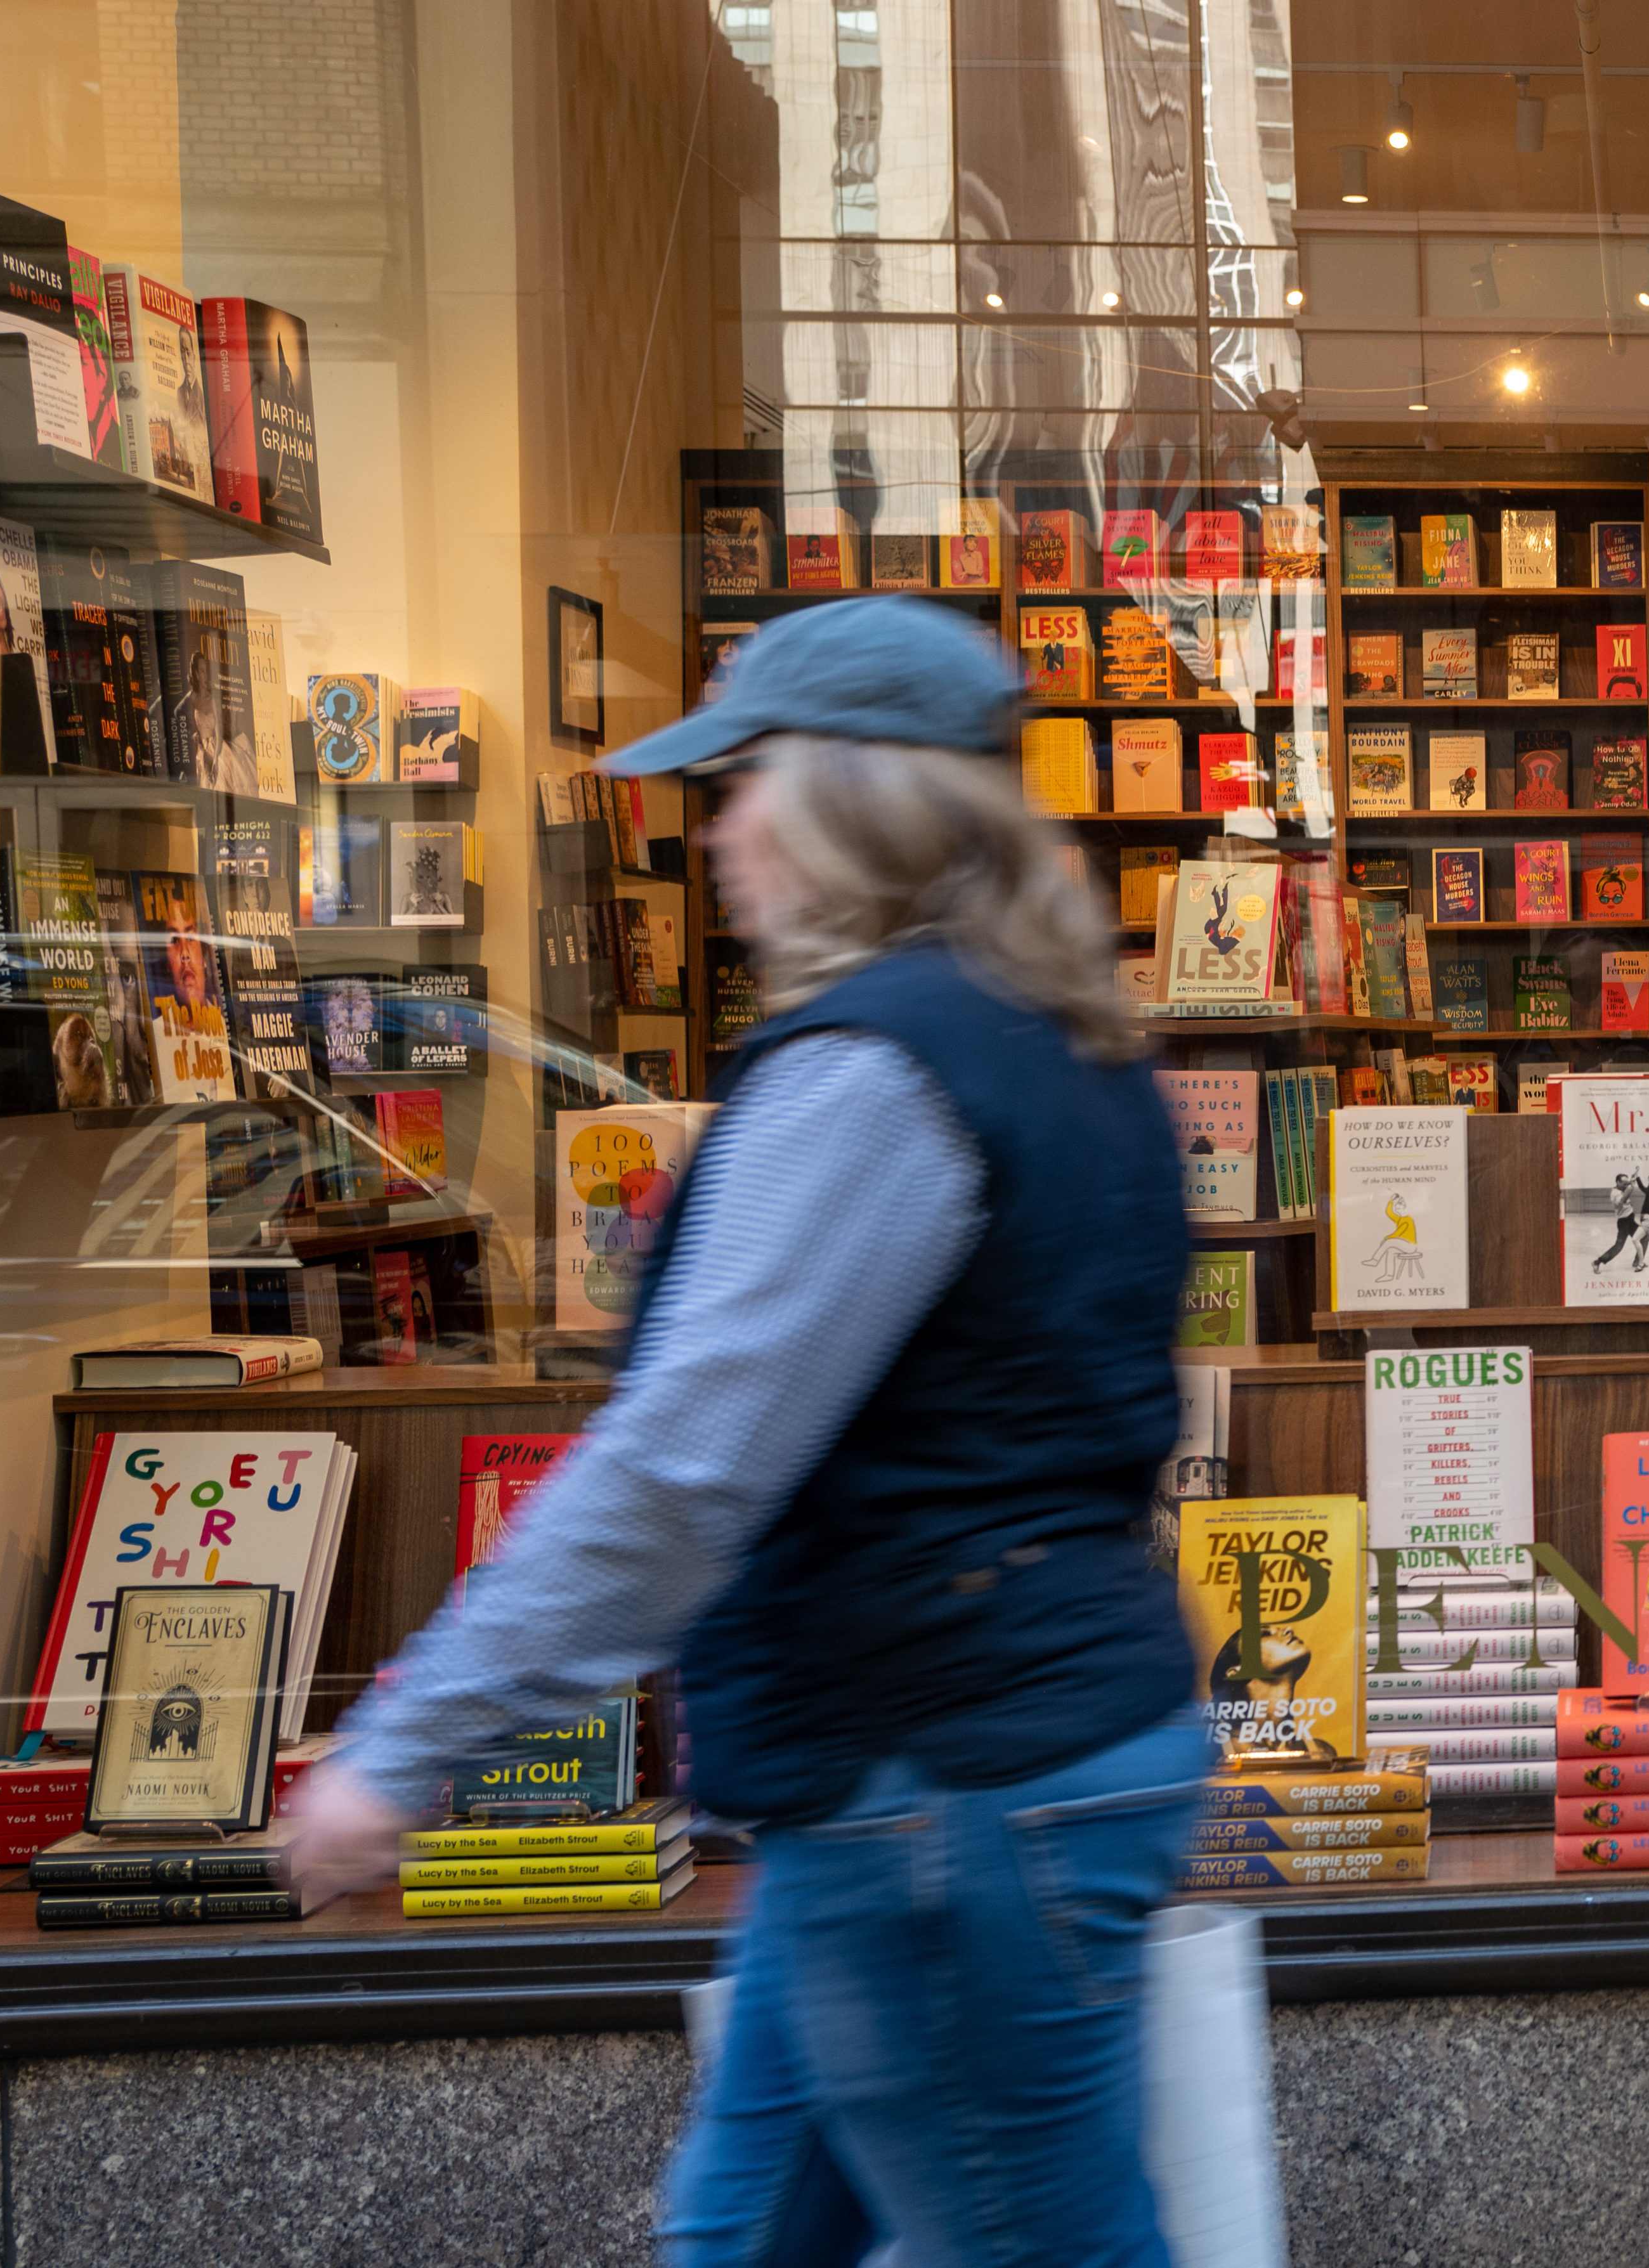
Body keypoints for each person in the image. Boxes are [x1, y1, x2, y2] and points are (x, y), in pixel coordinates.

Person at [277, 596, 1209, 2268]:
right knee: (745, 2237)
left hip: (941, 1789)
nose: (712, 832)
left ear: (859, 797)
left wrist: (409, 1747)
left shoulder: (872, 1074)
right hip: (954, 1761)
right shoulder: (1074, 1052)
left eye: (744, 781)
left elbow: (680, 1468)